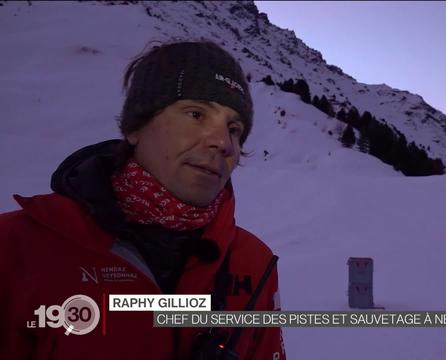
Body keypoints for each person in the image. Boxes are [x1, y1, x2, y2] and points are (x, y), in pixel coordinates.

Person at [0, 40, 286, 360]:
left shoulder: (254, 263)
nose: (223, 142)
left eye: (234, 129)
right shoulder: (17, 246)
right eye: (196, 114)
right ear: (136, 127)